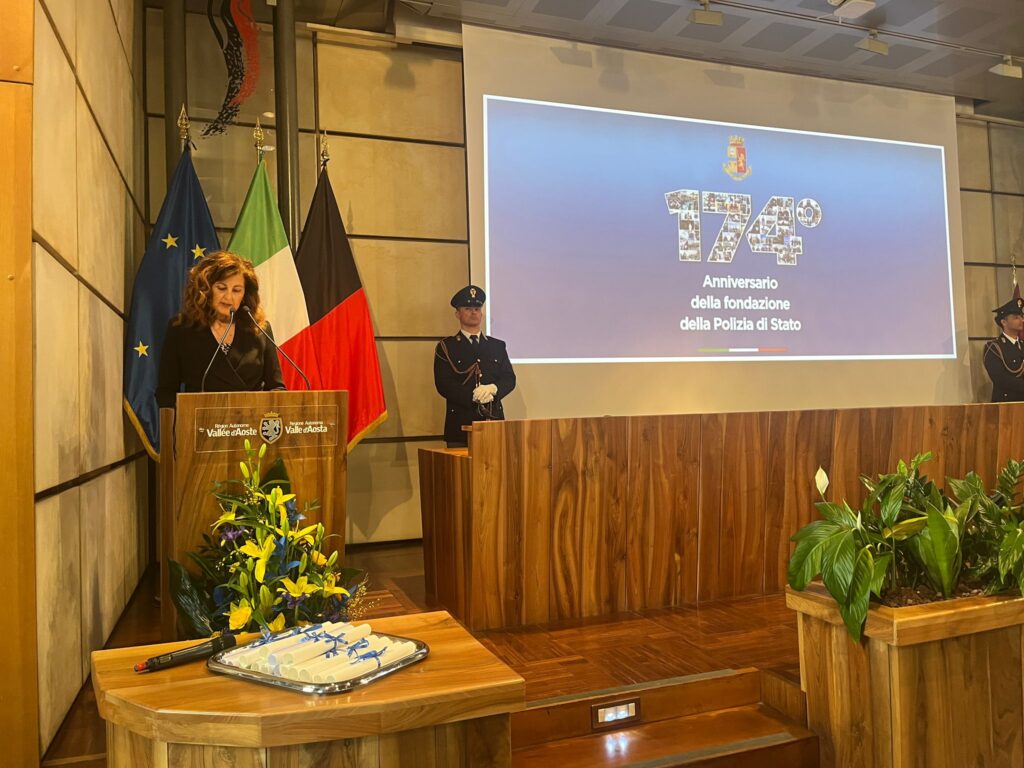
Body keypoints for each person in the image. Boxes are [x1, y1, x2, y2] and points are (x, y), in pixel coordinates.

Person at [156, 251, 285, 408]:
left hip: (251, 426)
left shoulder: (259, 329)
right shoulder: (181, 329)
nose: (228, 297)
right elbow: (166, 392)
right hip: (200, 426)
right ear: (206, 289)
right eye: (221, 288)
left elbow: (277, 388)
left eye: (236, 290)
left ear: (244, 294)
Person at [433, 285, 516, 446]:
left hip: (493, 423)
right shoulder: (447, 346)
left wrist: (493, 389)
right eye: (468, 308)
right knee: (462, 471)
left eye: (477, 308)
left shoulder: (497, 346)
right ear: (457, 314)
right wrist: (472, 395)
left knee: (497, 470)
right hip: (461, 425)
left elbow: (509, 378)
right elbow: (443, 384)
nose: (473, 312)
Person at [983, 296, 1024, 403]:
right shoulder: (994, 348)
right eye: (1016, 317)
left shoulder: (1022, 345)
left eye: (1021, 316)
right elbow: (1000, 379)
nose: (1022, 320)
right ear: (1004, 322)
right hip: (1006, 404)